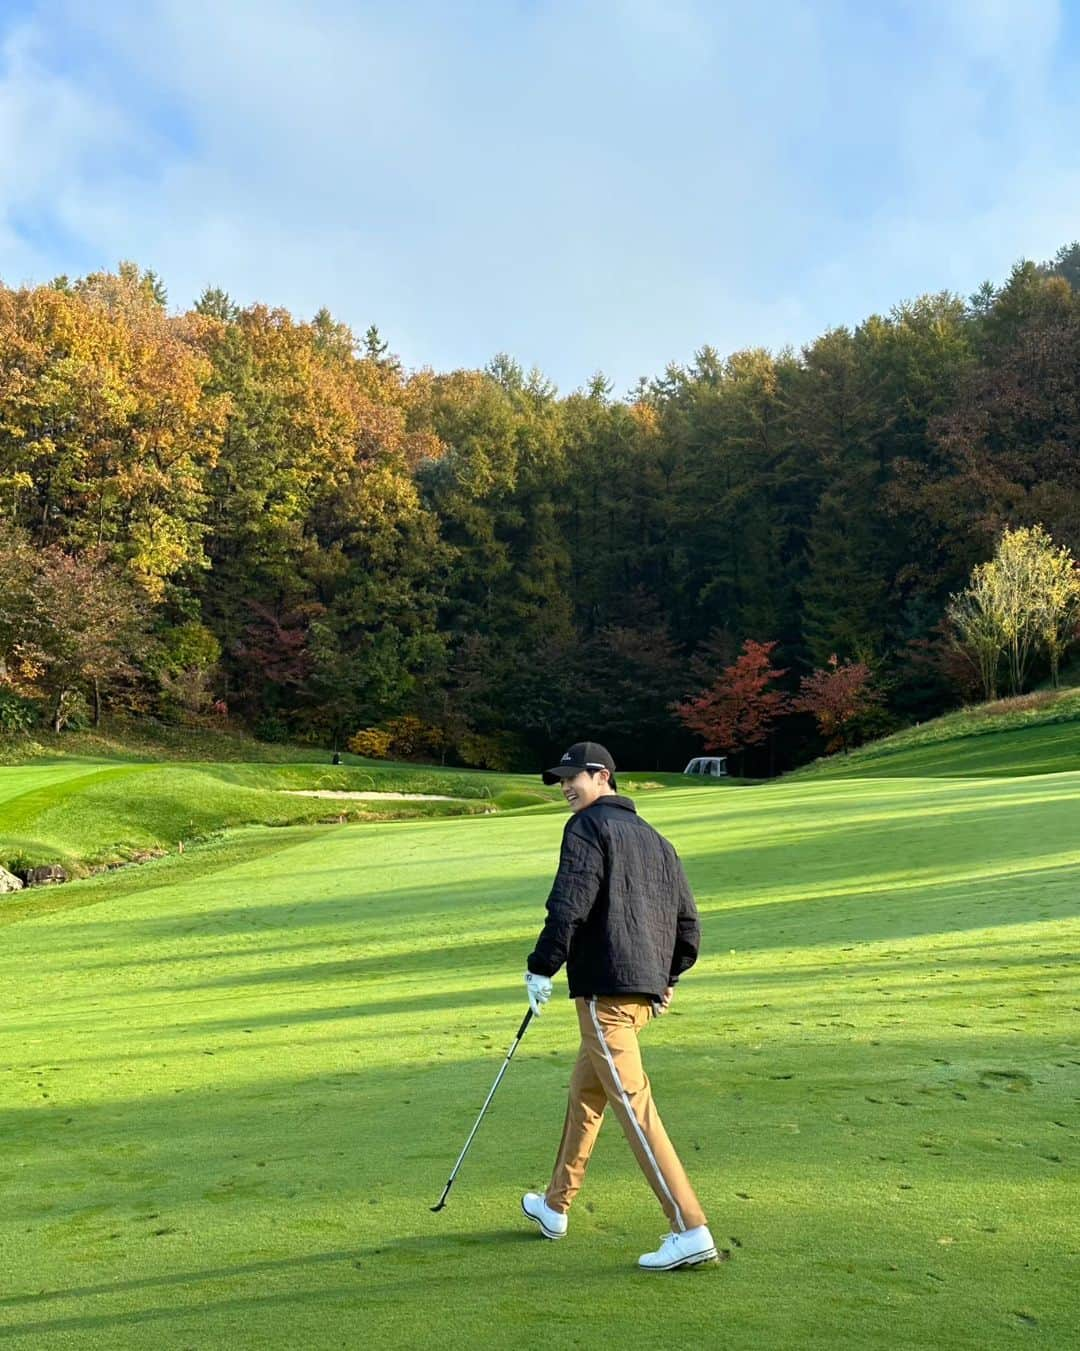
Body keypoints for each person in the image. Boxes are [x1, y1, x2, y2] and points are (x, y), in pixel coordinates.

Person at [520, 741, 718, 1271]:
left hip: (605, 995)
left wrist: (542, 966)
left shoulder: (587, 828)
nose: (565, 787)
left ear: (602, 776)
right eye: (560, 779)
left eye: (573, 778)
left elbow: (569, 904)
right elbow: (689, 927)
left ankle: (689, 1226)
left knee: (633, 1106)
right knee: (586, 1091)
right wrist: (668, 976)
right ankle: (555, 1206)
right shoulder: (657, 839)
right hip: (638, 996)